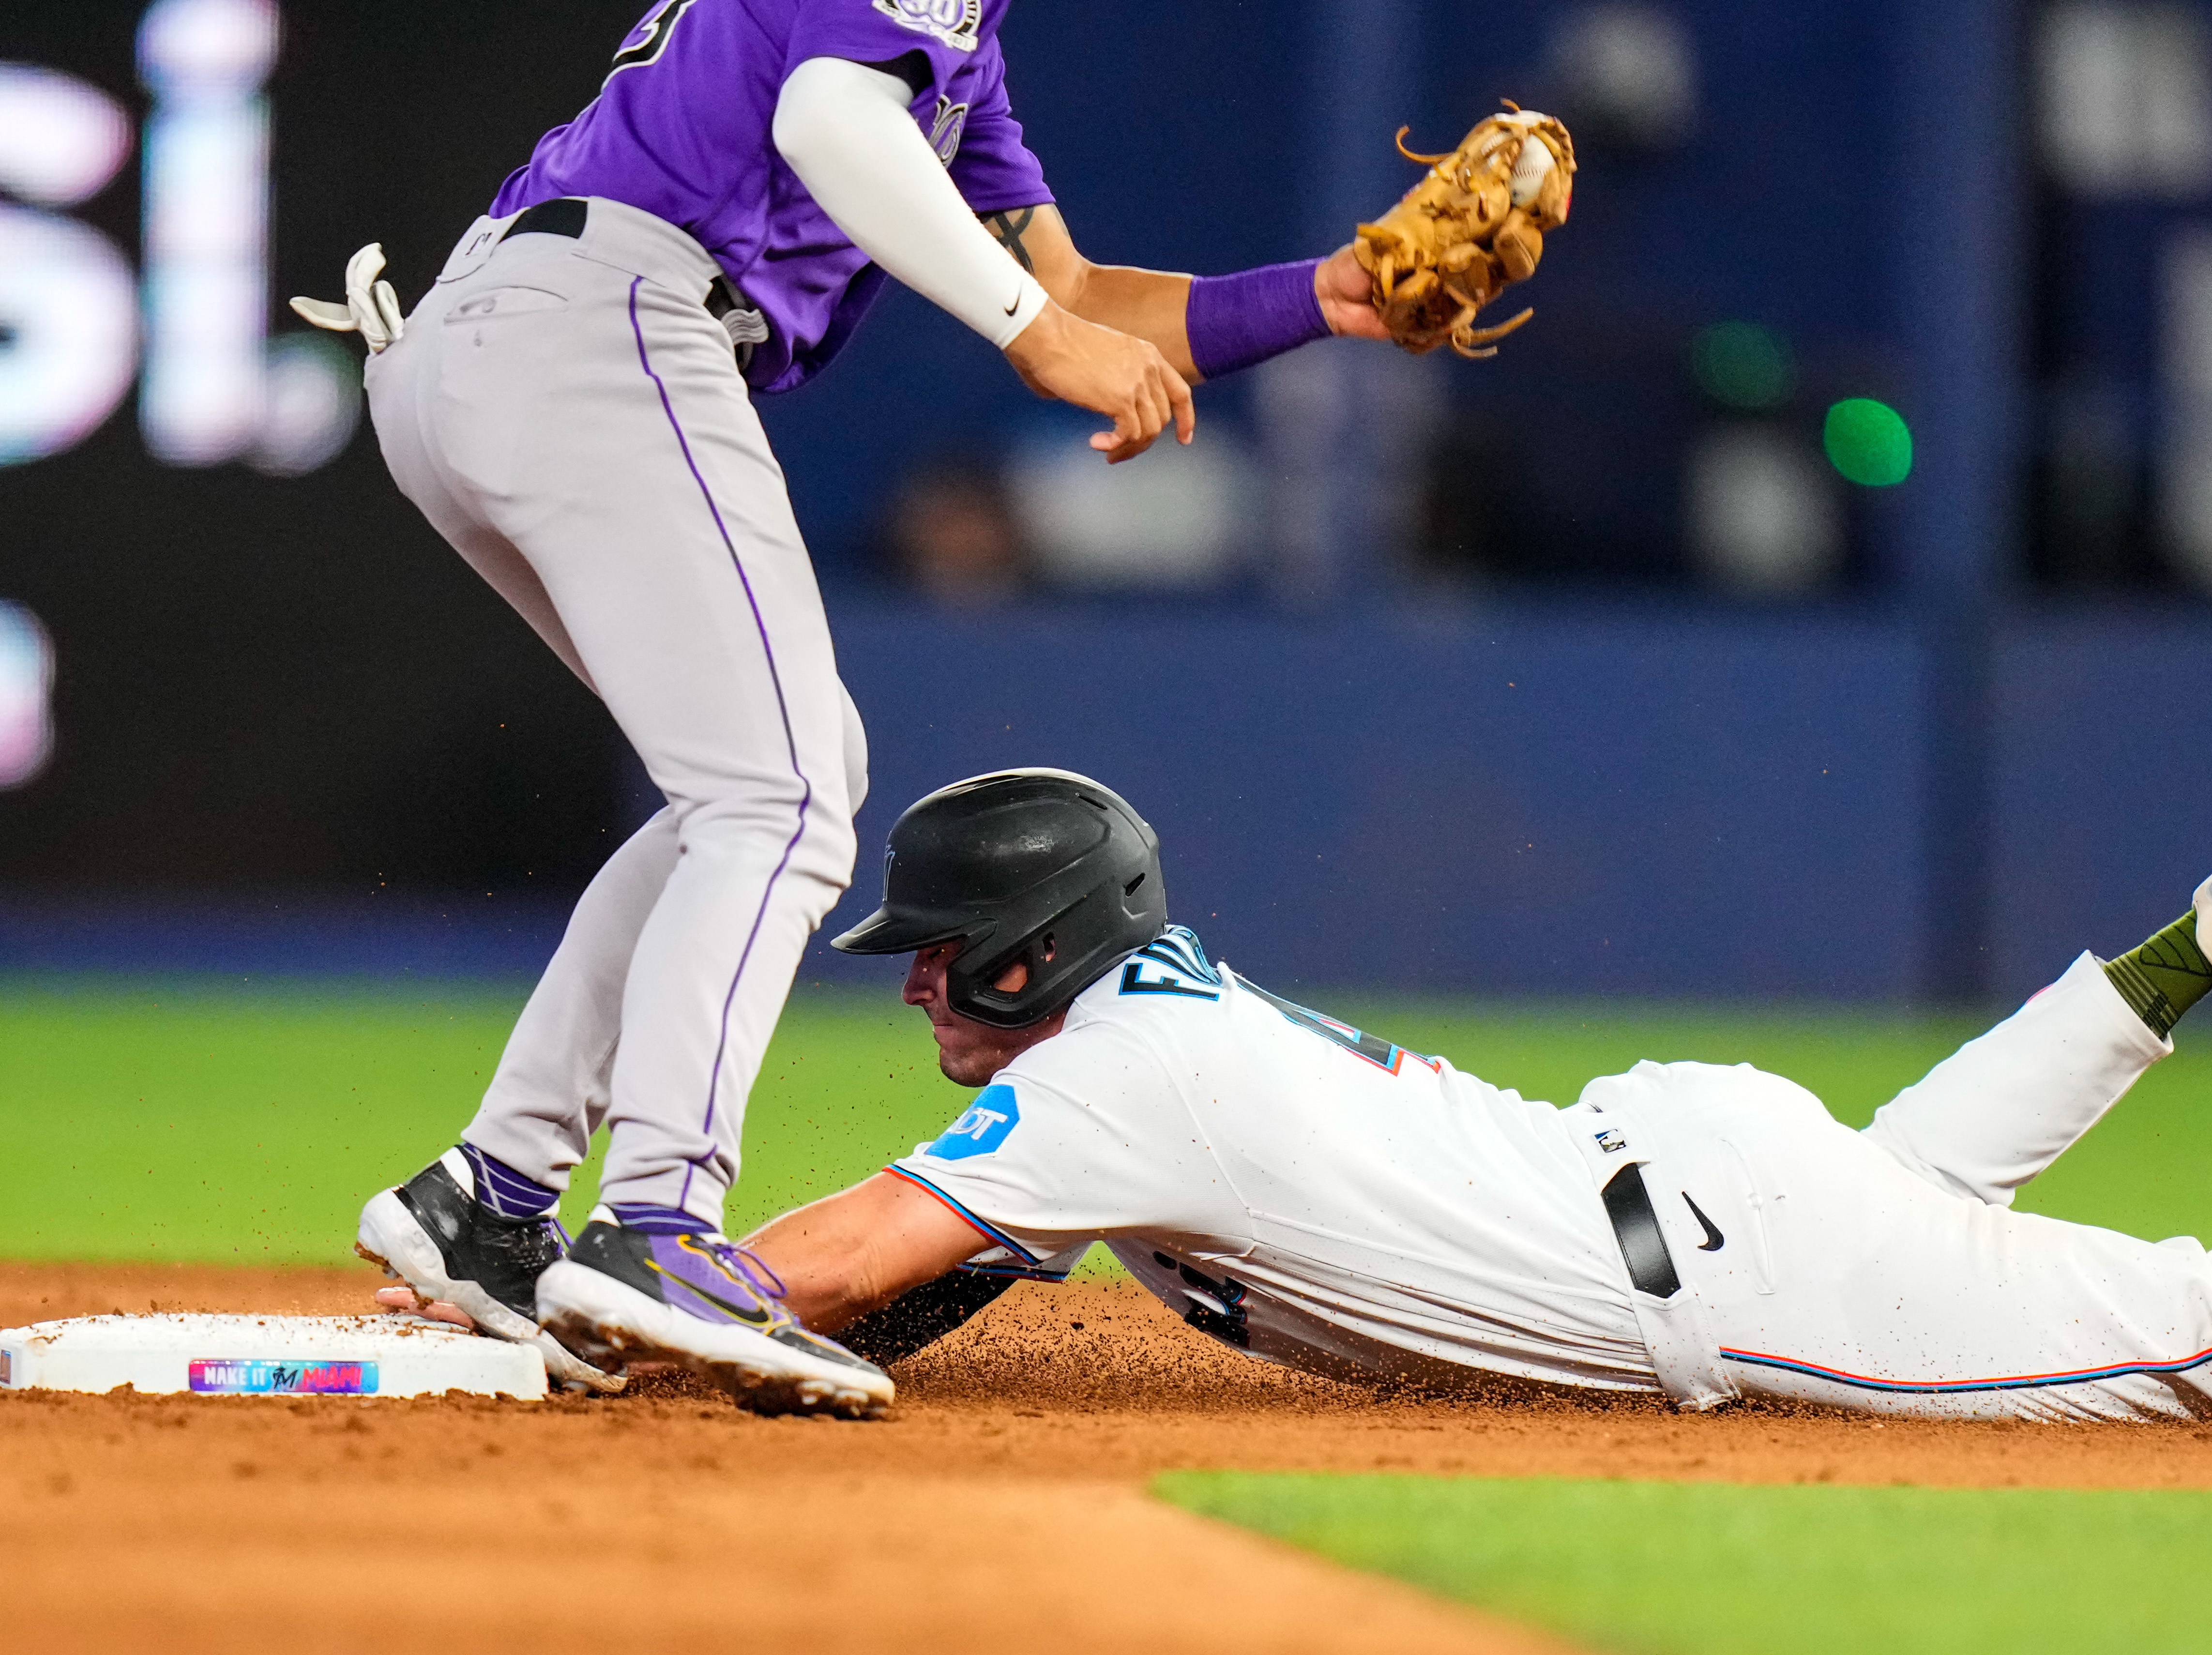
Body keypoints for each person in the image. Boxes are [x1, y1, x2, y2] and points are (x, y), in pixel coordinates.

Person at [311, 0, 1398, 1406]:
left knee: (778, 769)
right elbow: (831, 123)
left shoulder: (964, 61)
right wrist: (1030, 341)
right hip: (607, 319)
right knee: (782, 795)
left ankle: (494, 1190)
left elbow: (1073, 291)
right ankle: (656, 1224)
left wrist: (1326, 295)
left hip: (505, 341)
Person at [555, 759, 2212, 1421]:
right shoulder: (1139, 1039)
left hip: (1735, 1273)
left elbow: (819, 1267)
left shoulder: (1117, 1078)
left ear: (1042, 945)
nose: (915, 977)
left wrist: (647, 1293)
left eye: (944, 945)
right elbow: (936, 1269)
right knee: (1922, 1186)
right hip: (1696, 1172)